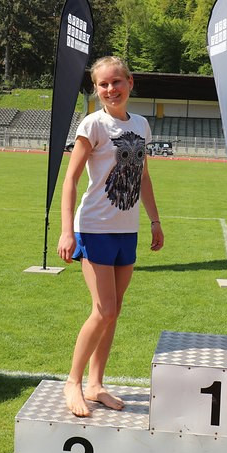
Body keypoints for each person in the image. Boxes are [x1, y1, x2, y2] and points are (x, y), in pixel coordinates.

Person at [57, 56, 164, 417]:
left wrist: (154, 221)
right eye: (103, 84)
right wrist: (66, 231)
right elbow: (70, 180)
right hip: (95, 228)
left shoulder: (141, 125)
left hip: (126, 230)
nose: (110, 89)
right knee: (102, 309)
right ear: (96, 89)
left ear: (130, 82)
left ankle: (96, 383)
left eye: (116, 82)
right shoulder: (93, 124)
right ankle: (73, 382)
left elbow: (143, 177)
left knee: (114, 311)